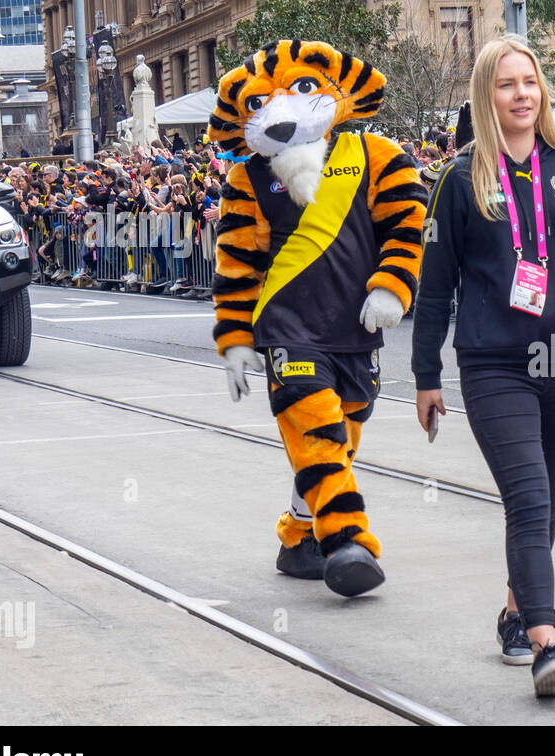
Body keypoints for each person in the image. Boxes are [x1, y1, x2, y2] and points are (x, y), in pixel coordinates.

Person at [412, 37, 555, 697]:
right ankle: (544, 639)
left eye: (529, 82)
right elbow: (435, 287)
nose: (522, 94)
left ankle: (512, 610)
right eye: (507, 84)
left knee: (546, 503)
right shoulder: (459, 177)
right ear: (486, 95)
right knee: (527, 496)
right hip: (493, 360)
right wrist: (425, 376)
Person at [207, 41, 426, 598]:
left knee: (340, 438)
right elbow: (238, 263)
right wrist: (235, 338)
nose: (278, 109)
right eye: (259, 102)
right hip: (287, 328)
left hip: (354, 329)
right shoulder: (247, 180)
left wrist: (393, 285)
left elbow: (406, 223)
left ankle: (297, 537)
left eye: (300, 88)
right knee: (319, 435)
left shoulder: (375, 154)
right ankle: (347, 542)